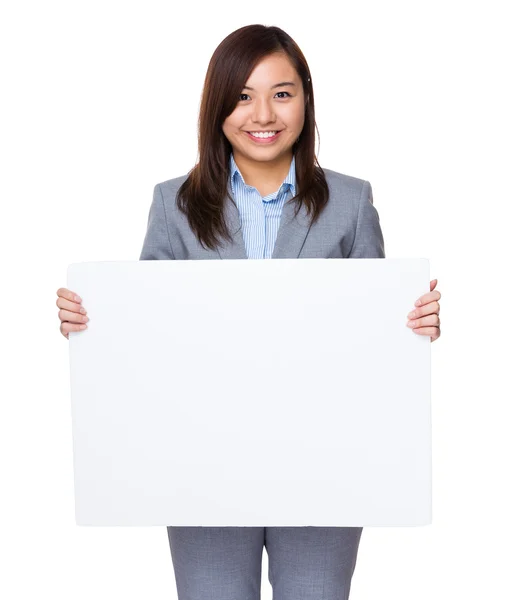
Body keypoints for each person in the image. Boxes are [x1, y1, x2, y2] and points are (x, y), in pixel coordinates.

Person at [56, 24, 441, 600]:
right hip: (202, 463)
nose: (263, 113)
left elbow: (375, 334)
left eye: (282, 93)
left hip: (325, 462)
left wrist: (414, 325)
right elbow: (147, 330)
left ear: (306, 101)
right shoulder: (174, 204)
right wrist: (94, 324)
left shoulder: (352, 202)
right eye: (242, 95)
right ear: (218, 106)